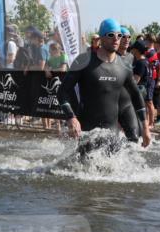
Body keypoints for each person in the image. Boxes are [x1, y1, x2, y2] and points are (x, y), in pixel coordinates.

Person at [57, 18, 151, 149]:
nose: (116, 39)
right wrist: (71, 117)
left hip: (111, 135)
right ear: (101, 38)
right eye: (111, 35)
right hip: (88, 134)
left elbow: (136, 96)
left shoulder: (124, 66)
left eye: (119, 35)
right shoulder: (84, 61)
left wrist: (145, 128)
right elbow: (63, 91)